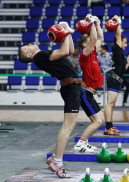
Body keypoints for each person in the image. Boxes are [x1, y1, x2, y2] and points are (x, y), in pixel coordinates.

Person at [18, 22, 80, 178]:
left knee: (68, 126)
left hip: (72, 87)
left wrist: (69, 32)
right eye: (27, 47)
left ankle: (54, 157)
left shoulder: (42, 55)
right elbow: (65, 51)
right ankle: (57, 163)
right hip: (71, 87)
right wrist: (65, 32)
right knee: (68, 126)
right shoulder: (40, 56)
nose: (30, 44)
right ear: (29, 55)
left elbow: (70, 50)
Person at [74, 14, 105, 153]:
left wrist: (97, 24)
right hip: (85, 94)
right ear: (84, 45)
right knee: (97, 121)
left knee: (101, 120)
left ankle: (84, 142)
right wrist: (91, 23)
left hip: (90, 93)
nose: (93, 42)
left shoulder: (92, 53)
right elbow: (93, 38)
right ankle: (80, 143)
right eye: (90, 42)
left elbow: (100, 38)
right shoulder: (84, 55)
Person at [104, 15, 127, 135]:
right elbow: (118, 35)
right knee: (110, 104)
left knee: (112, 105)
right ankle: (108, 127)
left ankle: (110, 125)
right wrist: (118, 23)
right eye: (125, 42)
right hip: (113, 79)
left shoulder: (120, 53)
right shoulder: (117, 49)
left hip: (116, 79)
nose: (126, 44)